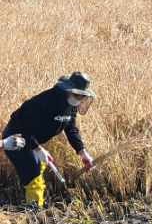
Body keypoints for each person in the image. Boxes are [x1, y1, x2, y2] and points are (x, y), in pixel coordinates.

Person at [2, 72, 97, 208]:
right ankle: (33, 210)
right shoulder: (46, 102)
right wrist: (38, 149)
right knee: (33, 174)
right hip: (16, 138)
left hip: (31, 140)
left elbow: (71, 128)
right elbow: (21, 124)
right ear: (68, 90)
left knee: (39, 166)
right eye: (78, 95)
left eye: (83, 96)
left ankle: (33, 205)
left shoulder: (71, 106)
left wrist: (82, 152)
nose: (80, 99)